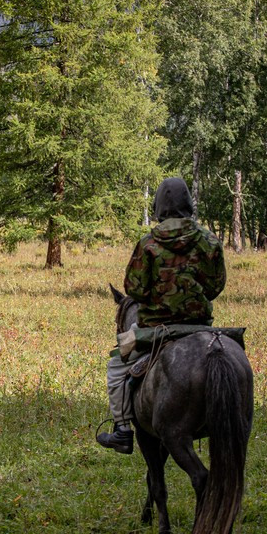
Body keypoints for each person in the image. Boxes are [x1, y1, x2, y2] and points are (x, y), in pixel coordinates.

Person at [97, 177, 226, 454]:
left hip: (157, 327)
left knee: (117, 370)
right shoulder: (209, 241)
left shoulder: (149, 243)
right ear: (188, 204)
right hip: (199, 326)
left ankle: (121, 431)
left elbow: (134, 289)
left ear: (159, 207)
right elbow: (216, 286)